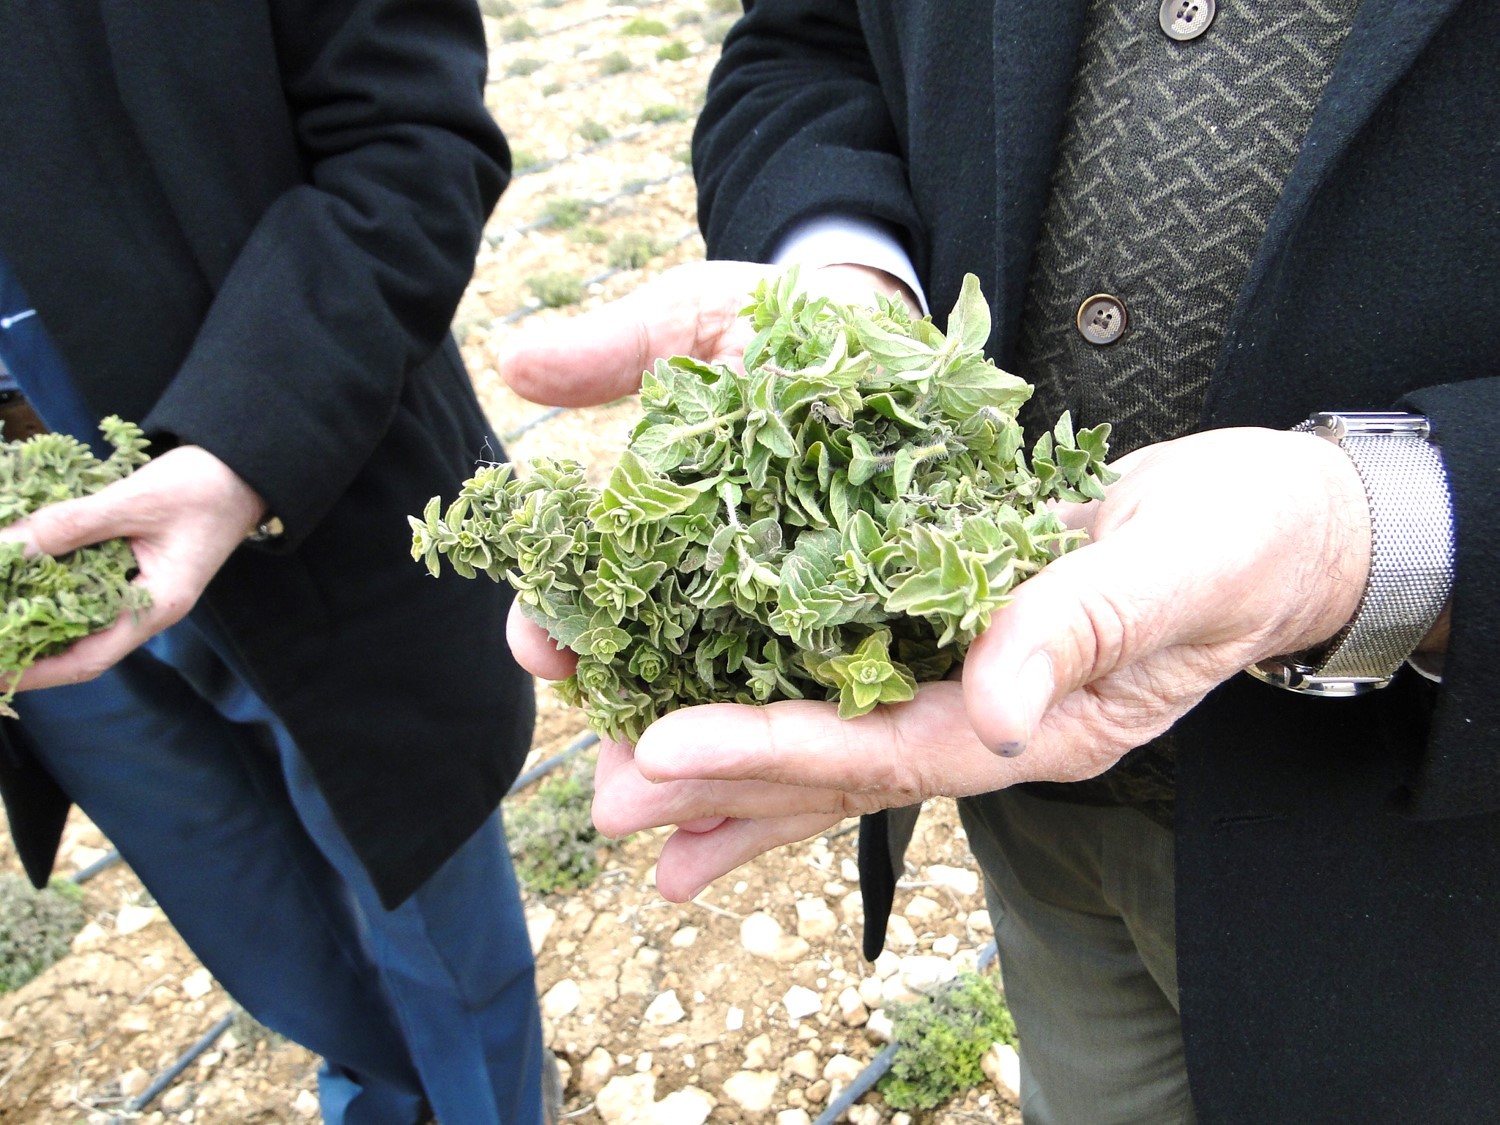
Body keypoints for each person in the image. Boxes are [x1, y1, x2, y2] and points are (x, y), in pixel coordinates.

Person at [498, 1, 1500, 1120]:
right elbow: (807, 42)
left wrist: (1374, 530)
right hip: (1005, 753)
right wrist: (845, 287)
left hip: (1416, 873)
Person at [0, 2, 556, 1122]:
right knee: (253, 918)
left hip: (304, 498)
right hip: (40, 610)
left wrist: (249, 442)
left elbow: (411, 135)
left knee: (428, 907)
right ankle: (379, 1093)